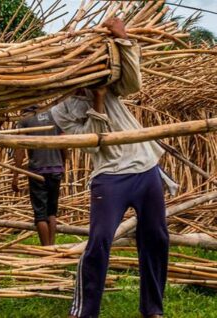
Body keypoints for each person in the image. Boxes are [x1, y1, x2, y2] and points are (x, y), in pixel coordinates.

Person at [51, 18, 170, 318]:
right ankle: (84, 311)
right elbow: (92, 144)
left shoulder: (108, 77)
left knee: (156, 237)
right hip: (109, 177)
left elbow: (134, 82)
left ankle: (152, 309)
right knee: (100, 240)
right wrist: (98, 102)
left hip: (145, 167)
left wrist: (125, 40)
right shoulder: (61, 108)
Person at [12, 108, 67, 246]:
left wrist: (15, 175)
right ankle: (52, 247)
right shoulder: (54, 114)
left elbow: (19, 149)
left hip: (37, 171)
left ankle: (46, 250)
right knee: (52, 212)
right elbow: (64, 142)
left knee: (40, 214)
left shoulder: (25, 120)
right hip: (56, 169)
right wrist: (63, 164)